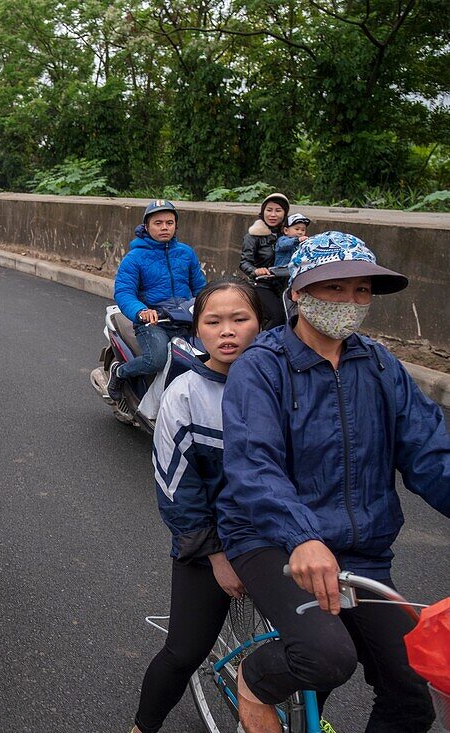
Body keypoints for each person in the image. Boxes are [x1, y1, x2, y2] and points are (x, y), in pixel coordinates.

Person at [217, 232, 450, 733]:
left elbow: (431, 453)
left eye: (361, 290)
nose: (350, 302)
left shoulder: (382, 365)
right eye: (334, 289)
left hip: (361, 553)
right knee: (326, 657)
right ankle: (253, 682)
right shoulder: (262, 367)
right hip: (272, 540)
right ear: (297, 292)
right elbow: (254, 465)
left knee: (413, 692)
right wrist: (302, 536)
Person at [130, 281, 263, 733]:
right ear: (197, 330)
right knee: (184, 652)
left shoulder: (283, 384)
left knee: (316, 654)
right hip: (211, 545)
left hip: (277, 540)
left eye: (240, 320)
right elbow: (177, 491)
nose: (228, 332)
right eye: (214, 322)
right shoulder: (184, 395)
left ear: (261, 324)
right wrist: (216, 557)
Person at [107, 200, 207, 400]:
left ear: (175, 226)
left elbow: (201, 288)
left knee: (212, 355)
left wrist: (212, 306)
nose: (164, 227)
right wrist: (141, 311)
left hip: (185, 318)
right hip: (154, 322)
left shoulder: (186, 253)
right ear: (147, 227)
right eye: (158, 223)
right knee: (157, 359)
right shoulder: (134, 258)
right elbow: (124, 292)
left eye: (169, 223)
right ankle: (120, 373)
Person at [239, 193, 290, 329]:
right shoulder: (253, 236)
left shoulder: (288, 236)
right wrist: (256, 271)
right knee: (277, 317)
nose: (273, 215)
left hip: (284, 285)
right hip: (261, 284)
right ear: (263, 212)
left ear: (285, 214)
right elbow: (244, 263)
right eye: (269, 210)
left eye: (278, 211)